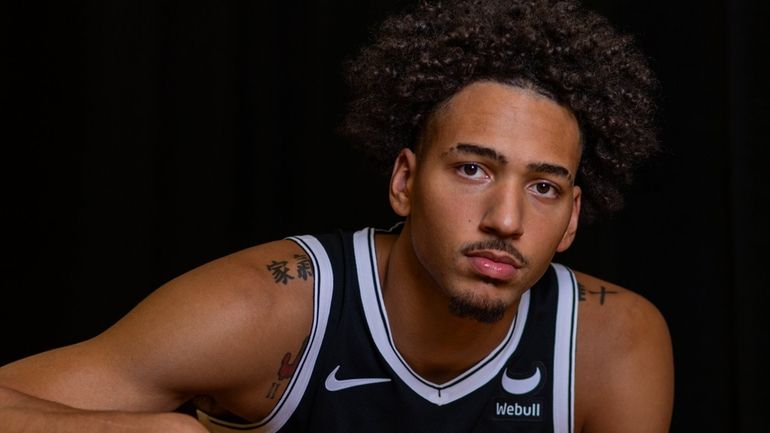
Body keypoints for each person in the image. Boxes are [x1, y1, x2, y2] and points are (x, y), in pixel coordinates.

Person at [0, 0, 674, 432]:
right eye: (472, 168)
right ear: (405, 180)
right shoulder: (271, 308)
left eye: (545, 187)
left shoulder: (612, 344)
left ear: (573, 218)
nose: (505, 217)